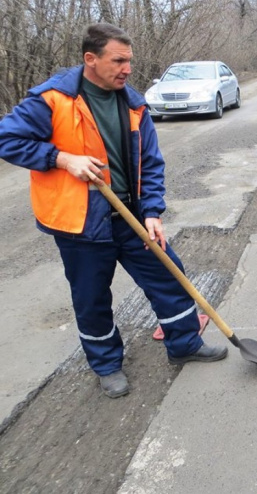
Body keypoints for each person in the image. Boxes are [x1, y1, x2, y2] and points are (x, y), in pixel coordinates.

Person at [0, 23, 228, 399]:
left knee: (169, 277)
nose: (127, 69)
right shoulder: (53, 99)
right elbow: (7, 138)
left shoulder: (134, 103)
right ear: (91, 59)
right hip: (80, 224)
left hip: (133, 217)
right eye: (118, 60)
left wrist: (152, 211)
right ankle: (107, 365)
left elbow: (151, 163)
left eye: (130, 61)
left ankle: (184, 343)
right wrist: (60, 158)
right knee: (91, 297)